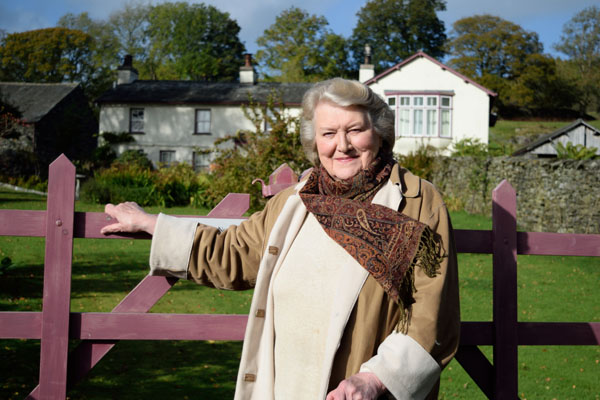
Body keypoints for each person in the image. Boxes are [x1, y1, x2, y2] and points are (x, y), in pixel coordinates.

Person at [101, 78, 460, 400]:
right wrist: (154, 225)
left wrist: (376, 379)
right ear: (313, 140)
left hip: (356, 389)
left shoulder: (415, 201)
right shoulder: (296, 200)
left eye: (355, 130)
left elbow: (432, 312)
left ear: (379, 133)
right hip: (286, 383)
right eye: (328, 133)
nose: (342, 145)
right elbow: (235, 251)